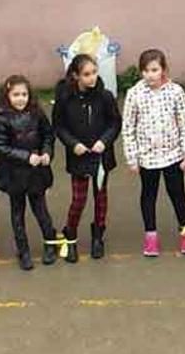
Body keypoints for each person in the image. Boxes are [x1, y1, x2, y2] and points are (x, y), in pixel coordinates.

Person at [122, 49, 185, 256]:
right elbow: (128, 128)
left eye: (154, 70)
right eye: (145, 71)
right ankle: (151, 236)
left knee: (177, 194)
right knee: (149, 195)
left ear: (163, 70)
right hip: (147, 158)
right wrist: (132, 158)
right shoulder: (134, 94)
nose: (150, 75)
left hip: (173, 155)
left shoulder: (175, 92)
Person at [53, 54, 122, 262]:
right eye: (86, 74)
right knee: (79, 199)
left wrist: (105, 141)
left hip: (101, 156)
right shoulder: (65, 98)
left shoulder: (105, 97)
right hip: (79, 158)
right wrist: (73, 144)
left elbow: (114, 123)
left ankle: (98, 236)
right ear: (75, 76)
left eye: (94, 73)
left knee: (100, 197)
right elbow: (59, 126)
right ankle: (70, 235)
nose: (91, 78)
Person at [0, 75, 58, 270]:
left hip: (37, 174)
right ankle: (23, 250)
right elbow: (0, 146)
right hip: (14, 175)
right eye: (16, 95)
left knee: (41, 211)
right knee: (17, 213)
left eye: (24, 94)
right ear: (7, 96)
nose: (20, 98)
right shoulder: (0, 117)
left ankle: (50, 243)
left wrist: (47, 152)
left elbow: (48, 135)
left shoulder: (37, 113)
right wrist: (26, 157)